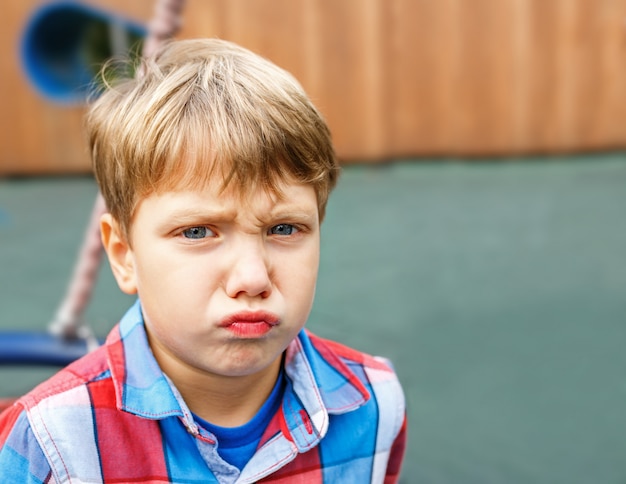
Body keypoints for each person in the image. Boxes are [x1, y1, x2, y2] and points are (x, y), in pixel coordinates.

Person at [0, 38, 406, 483]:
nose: (252, 279)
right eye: (197, 232)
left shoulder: (374, 404)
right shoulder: (49, 442)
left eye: (284, 229)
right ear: (124, 255)